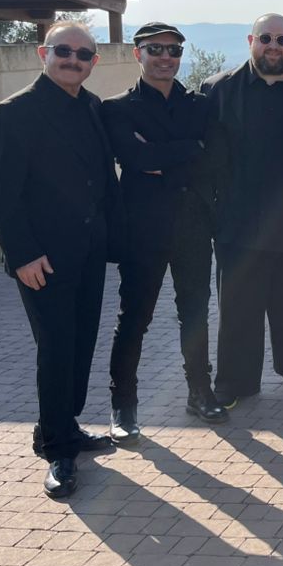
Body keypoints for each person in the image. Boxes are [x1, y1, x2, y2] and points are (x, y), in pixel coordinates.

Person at [0, 21, 119, 498]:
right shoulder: (13, 113)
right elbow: (2, 194)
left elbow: (102, 180)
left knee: (81, 343)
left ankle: (61, 426)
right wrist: (22, 255)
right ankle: (59, 450)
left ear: (93, 62)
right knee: (57, 348)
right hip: (42, 260)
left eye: (83, 54)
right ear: (44, 53)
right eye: (64, 51)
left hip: (89, 252)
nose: (72, 60)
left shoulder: (93, 107)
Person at [102, 22, 227, 445]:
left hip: (194, 225)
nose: (165, 57)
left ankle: (200, 392)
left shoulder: (200, 105)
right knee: (135, 317)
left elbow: (214, 159)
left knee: (195, 313)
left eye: (173, 50)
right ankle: (123, 406)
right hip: (143, 229)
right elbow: (135, 159)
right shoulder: (117, 108)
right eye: (155, 49)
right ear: (137, 53)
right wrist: (188, 149)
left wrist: (161, 158)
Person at [202, 14, 283, 410]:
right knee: (237, 308)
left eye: (281, 40)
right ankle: (235, 382)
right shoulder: (217, 89)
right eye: (266, 38)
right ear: (251, 41)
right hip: (236, 222)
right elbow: (204, 155)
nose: (273, 46)